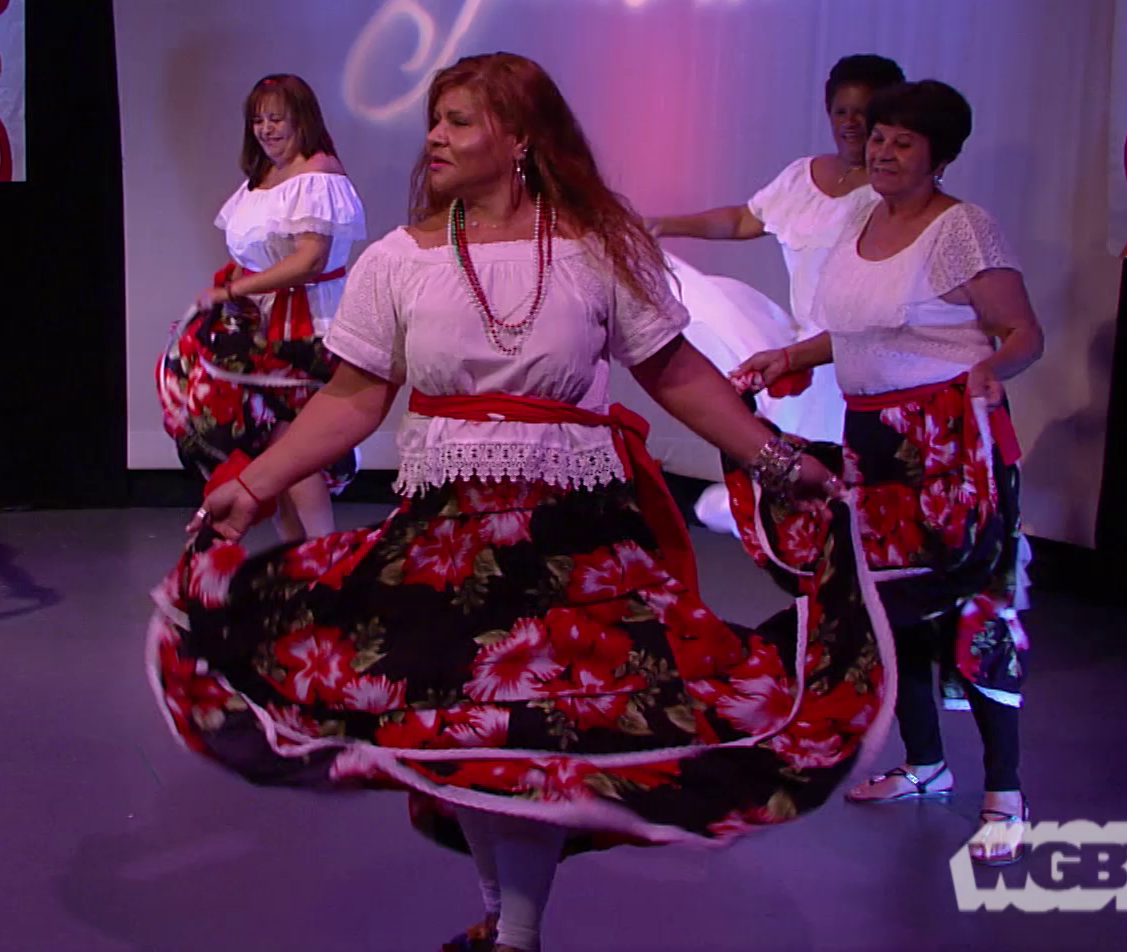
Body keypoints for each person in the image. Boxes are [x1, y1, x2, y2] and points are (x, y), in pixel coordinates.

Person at [151, 53, 896, 952]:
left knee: (535, 741)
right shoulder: (397, 260)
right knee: (469, 737)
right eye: (436, 118)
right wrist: (253, 483)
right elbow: (351, 398)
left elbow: (675, 372)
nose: (435, 135)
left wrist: (777, 460)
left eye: (460, 120)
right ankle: (505, 918)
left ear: (521, 142)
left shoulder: (593, 245)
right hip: (448, 537)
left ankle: (518, 935)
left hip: (571, 539)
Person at [733, 80, 1042, 865]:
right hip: (873, 439)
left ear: (941, 155)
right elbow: (855, 330)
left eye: (903, 142)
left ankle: (1005, 791)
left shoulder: (963, 229)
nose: (883, 151)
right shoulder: (862, 217)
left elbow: (1021, 331)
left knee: (976, 609)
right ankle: (924, 762)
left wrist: (993, 372)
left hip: (951, 446)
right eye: (878, 138)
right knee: (888, 606)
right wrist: (791, 357)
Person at [650, 54, 905, 534]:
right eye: (841, 111)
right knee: (700, 302)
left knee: (845, 457)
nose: (851, 123)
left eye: (865, 112)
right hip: (802, 333)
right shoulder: (803, 175)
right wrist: (666, 224)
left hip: (859, 343)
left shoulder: (894, 191)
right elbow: (745, 219)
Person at [158, 74, 367, 541]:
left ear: (302, 120)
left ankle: (319, 552)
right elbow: (251, 255)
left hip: (310, 322)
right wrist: (231, 294)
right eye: (258, 119)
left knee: (296, 440)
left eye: (277, 118)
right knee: (276, 442)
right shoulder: (261, 179)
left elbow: (309, 260)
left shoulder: (316, 174)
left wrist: (233, 292)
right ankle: (297, 557)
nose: (267, 129)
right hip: (262, 322)